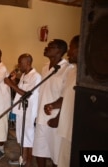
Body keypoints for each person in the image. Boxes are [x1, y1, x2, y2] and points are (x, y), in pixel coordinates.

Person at [32, 39, 72, 167]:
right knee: (39, 150)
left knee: (56, 155)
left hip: (55, 119)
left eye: (51, 46)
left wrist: (58, 117)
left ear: (59, 51)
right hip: (41, 118)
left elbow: (67, 96)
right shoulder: (45, 67)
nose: (46, 48)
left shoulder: (68, 69)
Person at [5, 53, 41, 166]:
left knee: (29, 139)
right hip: (21, 111)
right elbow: (20, 89)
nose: (18, 65)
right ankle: (23, 160)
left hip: (29, 113)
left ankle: (28, 163)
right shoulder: (25, 75)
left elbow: (27, 94)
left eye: (20, 62)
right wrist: (14, 81)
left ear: (28, 63)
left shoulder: (36, 76)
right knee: (22, 137)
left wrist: (11, 84)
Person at [55, 35, 79, 167]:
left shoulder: (90, 78)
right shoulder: (72, 72)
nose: (69, 53)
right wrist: (52, 105)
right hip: (66, 129)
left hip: (80, 132)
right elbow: (65, 97)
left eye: (71, 48)